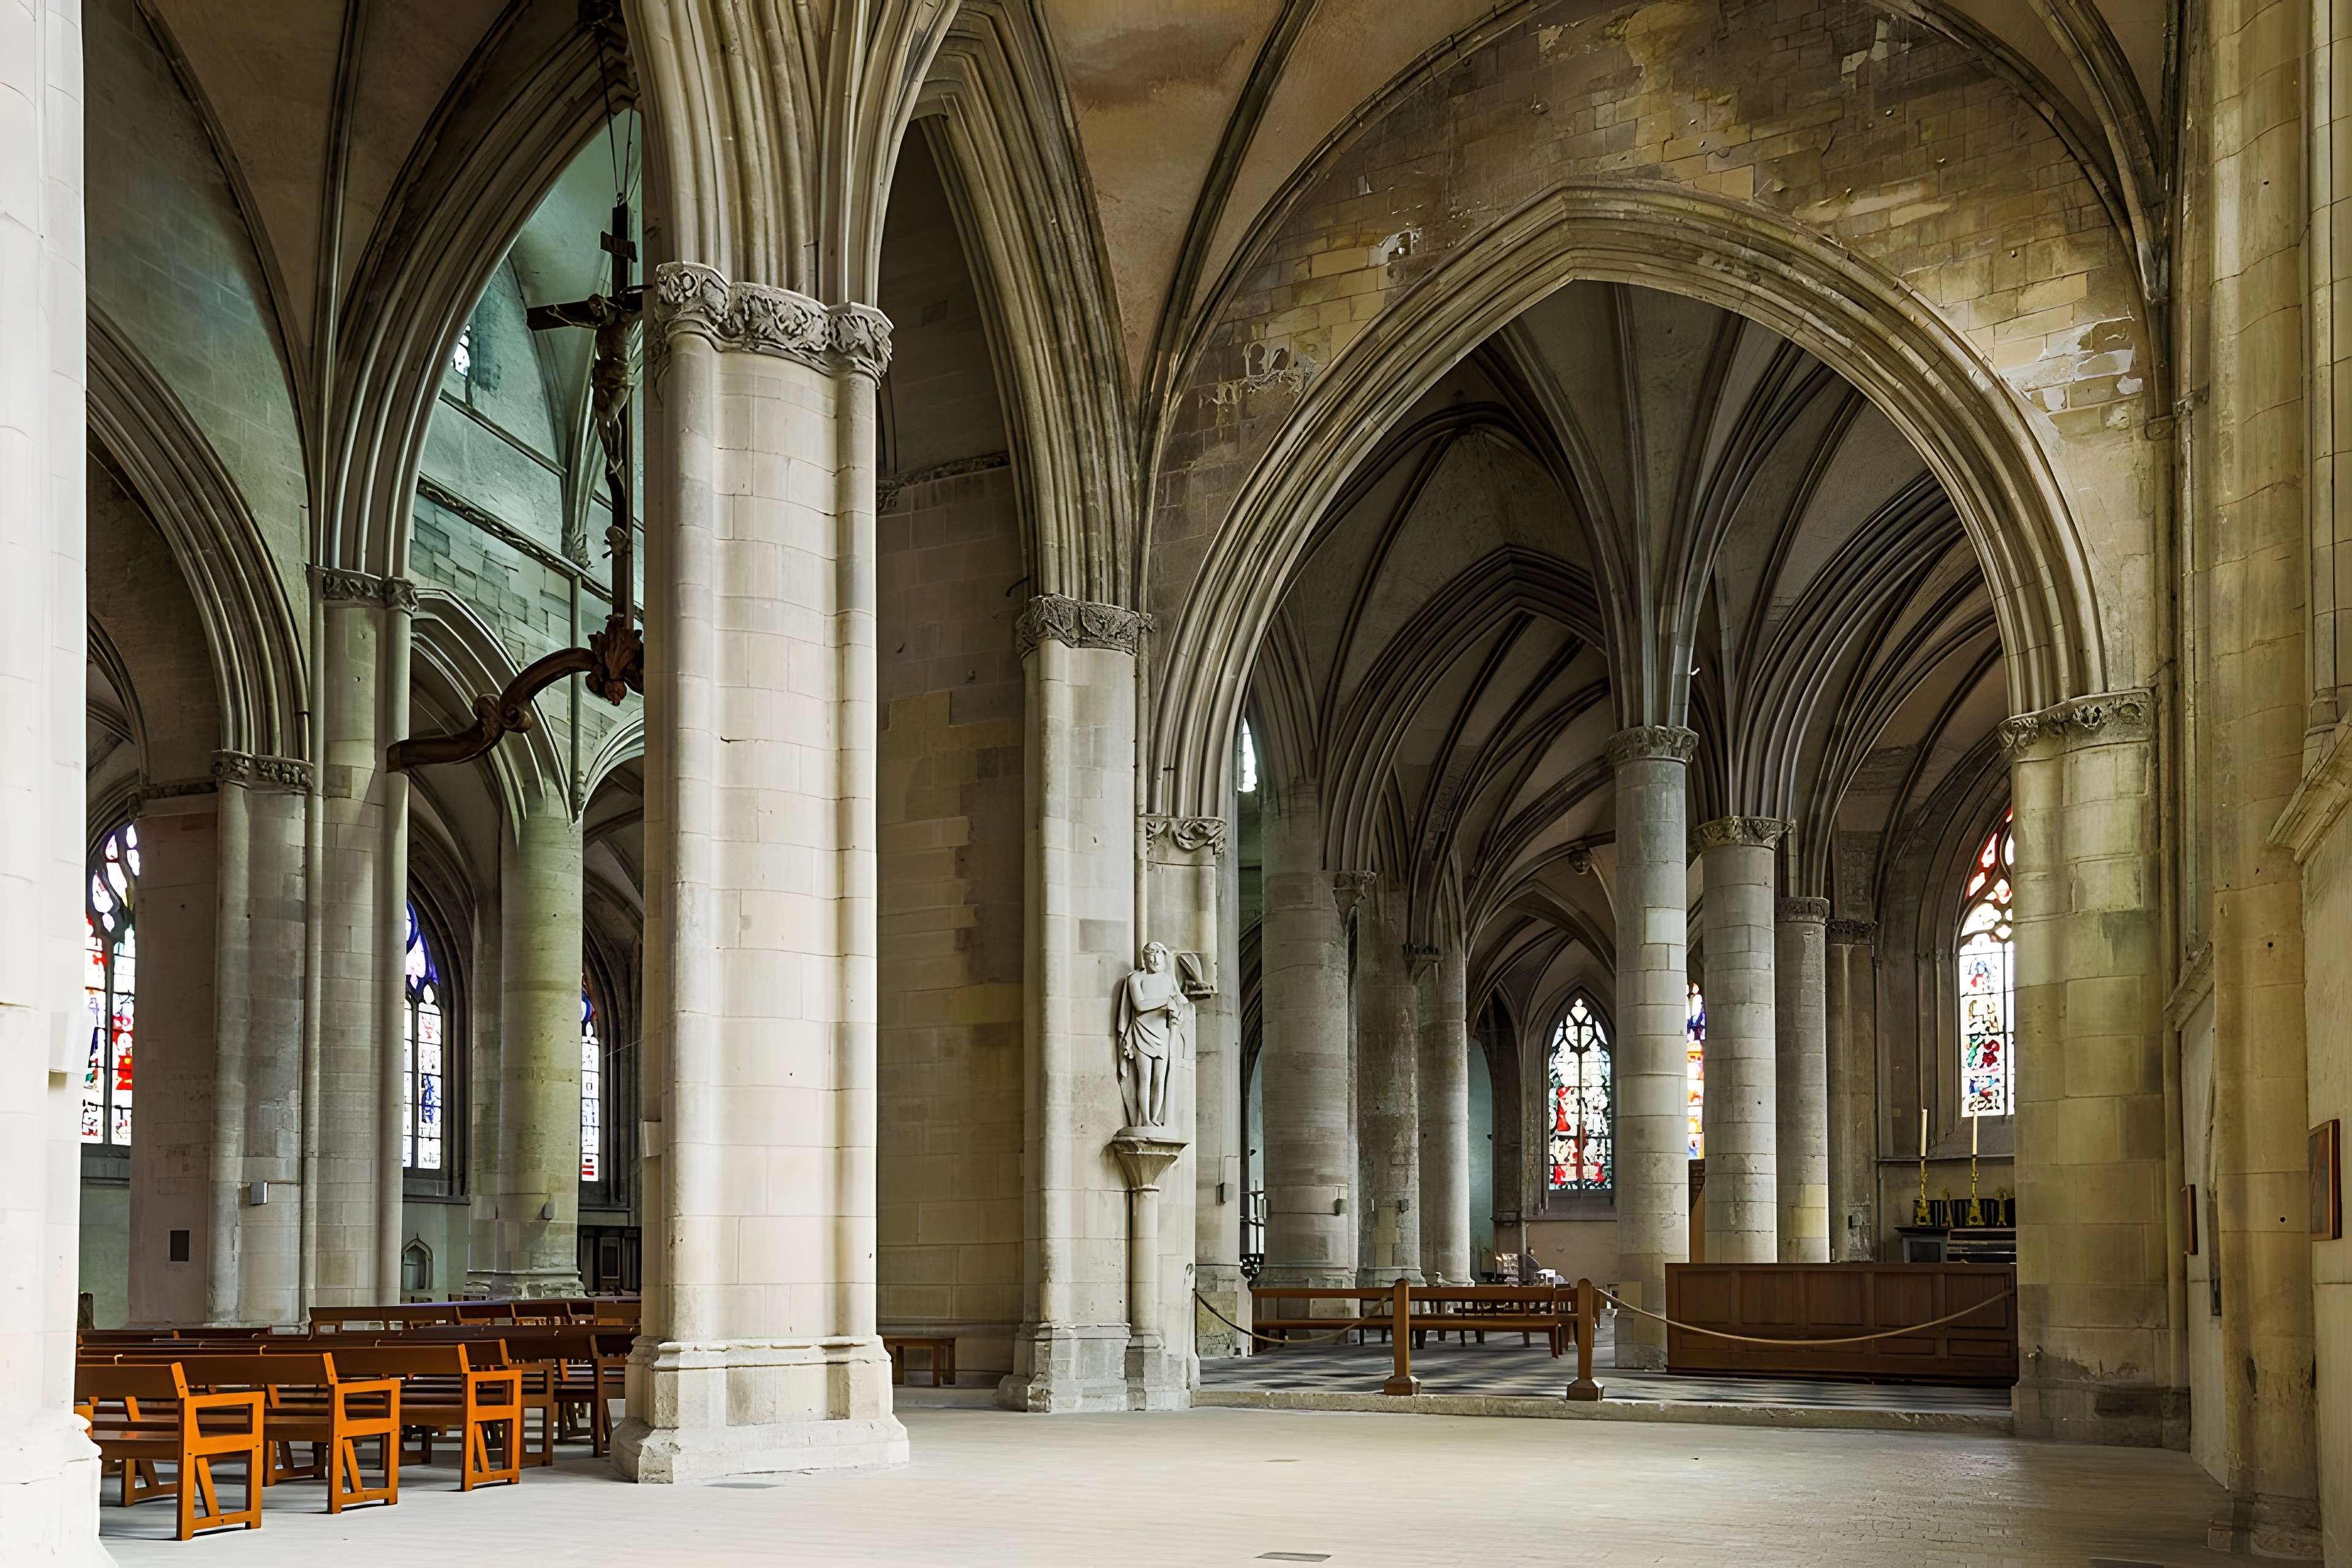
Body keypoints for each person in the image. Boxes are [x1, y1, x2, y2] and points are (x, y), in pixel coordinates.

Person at [1115, 941, 1190, 1128]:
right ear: (1145, 959)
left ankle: (1155, 1117)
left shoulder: (1168, 980)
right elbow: (1140, 1005)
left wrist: (1177, 1011)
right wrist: (1166, 1001)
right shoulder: (1136, 979)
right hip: (1142, 1030)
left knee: (1160, 1079)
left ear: (1164, 957)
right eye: (1150, 955)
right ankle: (1145, 1120)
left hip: (1162, 1033)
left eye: (1158, 955)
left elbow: (1182, 1004)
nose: (1154, 960)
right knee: (1145, 1077)